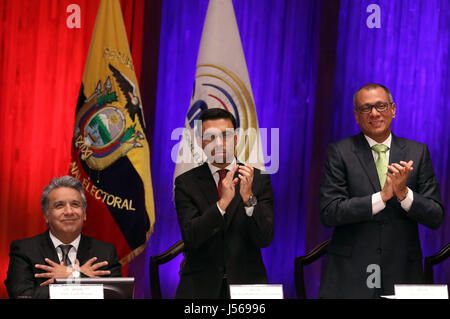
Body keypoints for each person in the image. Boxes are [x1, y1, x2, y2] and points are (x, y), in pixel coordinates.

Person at [319, 83, 444, 298]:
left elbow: (435, 216)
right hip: (351, 276)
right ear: (356, 116)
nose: (374, 113)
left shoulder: (417, 152)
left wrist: (404, 194)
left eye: (381, 106)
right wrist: (382, 197)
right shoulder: (339, 152)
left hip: (402, 273)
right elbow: (330, 212)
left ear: (393, 110)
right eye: (366, 108)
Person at [174, 108, 274, 298]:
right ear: (200, 143)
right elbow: (191, 237)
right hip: (200, 287)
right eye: (210, 137)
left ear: (236, 139)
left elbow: (265, 238)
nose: (219, 143)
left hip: (248, 285)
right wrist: (221, 205)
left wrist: (249, 200)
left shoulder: (258, 180)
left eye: (225, 136)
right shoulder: (186, 183)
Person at [5, 175, 122, 299]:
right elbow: (22, 296)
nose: (69, 211)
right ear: (46, 215)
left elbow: (117, 295)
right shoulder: (24, 250)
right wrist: (78, 277)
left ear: (84, 214)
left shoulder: (106, 252)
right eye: (59, 205)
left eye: (75, 204)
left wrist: (72, 275)